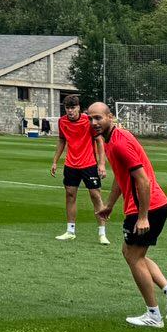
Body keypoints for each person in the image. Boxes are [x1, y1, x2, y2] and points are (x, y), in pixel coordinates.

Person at [87, 100, 167, 329]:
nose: (94, 122)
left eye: (98, 118)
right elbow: (123, 178)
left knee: (133, 257)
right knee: (132, 253)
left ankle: (154, 316)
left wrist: (143, 217)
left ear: (110, 117)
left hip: (147, 207)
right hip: (150, 205)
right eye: (90, 118)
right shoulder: (111, 139)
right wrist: (109, 204)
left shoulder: (119, 143)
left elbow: (143, 180)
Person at [51, 92, 108, 244]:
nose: (70, 111)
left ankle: (102, 233)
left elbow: (100, 141)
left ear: (79, 108)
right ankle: (70, 231)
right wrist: (55, 161)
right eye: (67, 108)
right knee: (70, 195)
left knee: (95, 196)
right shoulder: (62, 122)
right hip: (71, 165)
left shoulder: (88, 121)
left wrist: (102, 164)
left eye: (73, 107)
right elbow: (62, 141)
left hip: (89, 164)